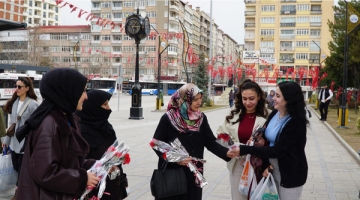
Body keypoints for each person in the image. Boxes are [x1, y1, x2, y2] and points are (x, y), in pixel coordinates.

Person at [15, 68, 100, 200]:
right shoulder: (50, 124)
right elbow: (45, 173)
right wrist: (82, 178)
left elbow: (69, 161)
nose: (86, 96)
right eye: (83, 91)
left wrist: (99, 166)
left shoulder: (65, 118)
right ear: (67, 91)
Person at [152, 83, 238, 200]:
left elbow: (210, 142)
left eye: (200, 99)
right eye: (195, 99)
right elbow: (156, 143)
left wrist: (226, 152)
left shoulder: (201, 118)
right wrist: (175, 159)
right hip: (172, 175)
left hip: (194, 175)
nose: (199, 103)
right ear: (184, 100)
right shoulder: (168, 118)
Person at [235, 81, 308, 200]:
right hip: (271, 170)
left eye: (278, 96)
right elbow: (265, 140)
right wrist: (264, 164)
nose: (273, 98)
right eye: (274, 94)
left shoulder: (296, 122)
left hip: (290, 174)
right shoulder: (274, 113)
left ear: (289, 99)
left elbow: (278, 150)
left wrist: (245, 149)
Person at [216, 79, 268, 200]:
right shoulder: (233, 116)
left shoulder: (268, 116)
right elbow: (220, 136)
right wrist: (235, 146)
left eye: (251, 98)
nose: (248, 102)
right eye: (244, 99)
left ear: (259, 97)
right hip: (238, 164)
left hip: (260, 164)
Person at [75, 90, 128, 200]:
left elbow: (115, 157)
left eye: (108, 103)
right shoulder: (80, 131)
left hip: (114, 187)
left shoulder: (107, 127)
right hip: (94, 191)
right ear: (93, 107)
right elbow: (77, 163)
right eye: (104, 104)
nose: (108, 108)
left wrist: (123, 180)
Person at [2, 77, 39, 200]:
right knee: (16, 168)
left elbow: (37, 124)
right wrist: (6, 142)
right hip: (14, 142)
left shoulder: (33, 104)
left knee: (23, 170)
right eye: (16, 86)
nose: (16, 89)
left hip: (25, 142)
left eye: (19, 87)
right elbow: (11, 124)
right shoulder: (14, 102)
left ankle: (20, 194)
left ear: (27, 88)